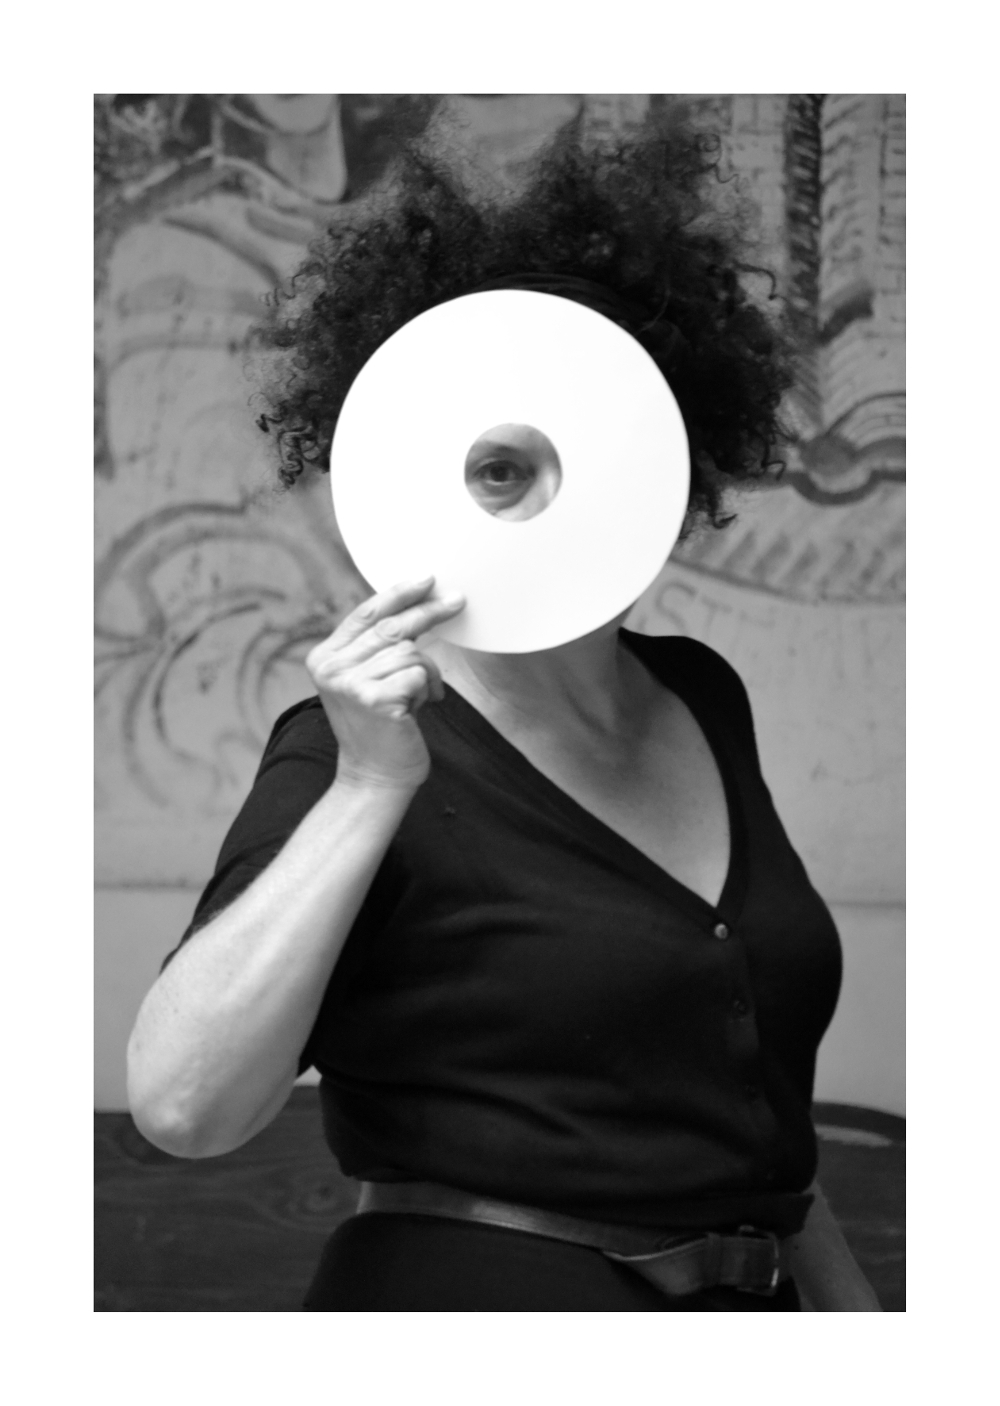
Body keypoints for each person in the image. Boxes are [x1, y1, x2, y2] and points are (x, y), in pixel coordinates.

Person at [127, 104, 883, 1311]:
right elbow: (182, 1104)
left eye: (585, 445)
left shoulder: (701, 693)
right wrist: (370, 784)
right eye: (495, 464)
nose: (536, 492)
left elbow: (761, 1135)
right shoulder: (352, 742)